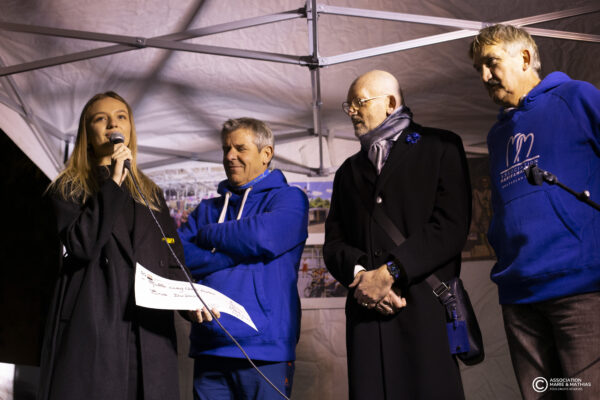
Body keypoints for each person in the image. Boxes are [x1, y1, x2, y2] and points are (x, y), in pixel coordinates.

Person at [38, 91, 210, 400]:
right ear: (87, 135)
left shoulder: (150, 192)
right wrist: (113, 182)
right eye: (100, 119)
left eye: (121, 117)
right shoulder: (68, 187)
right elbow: (82, 244)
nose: (112, 124)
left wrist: (190, 301)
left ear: (130, 128)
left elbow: (172, 258)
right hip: (96, 325)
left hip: (148, 330)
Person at [323, 70, 471, 399]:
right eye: (348, 106)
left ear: (390, 103)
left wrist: (390, 272)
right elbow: (333, 244)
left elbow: (450, 226)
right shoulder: (347, 171)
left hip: (423, 313)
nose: (352, 111)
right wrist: (363, 276)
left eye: (359, 102)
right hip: (366, 318)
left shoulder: (441, 146)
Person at [470, 24, 600, 398]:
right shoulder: (497, 135)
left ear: (525, 57)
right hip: (519, 294)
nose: (484, 76)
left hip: (580, 288)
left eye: (491, 62)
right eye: (479, 68)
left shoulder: (577, 98)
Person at [178, 117, 309, 400]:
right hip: (209, 345)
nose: (229, 156)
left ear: (266, 154)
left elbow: (263, 237)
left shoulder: (289, 199)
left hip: (265, 349)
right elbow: (177, 255)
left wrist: (208, 234)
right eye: (226, 149)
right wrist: (237, 252)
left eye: (240, 148)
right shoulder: (206, 209)